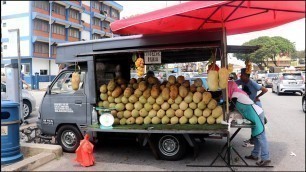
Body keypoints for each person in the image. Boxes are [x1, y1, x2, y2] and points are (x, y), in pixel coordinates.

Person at [228, 81, 271, 166]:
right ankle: (254, 155)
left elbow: (231, 107)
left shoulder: (235, 94)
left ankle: (266, 158)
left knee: (261, 136)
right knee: (255, 135)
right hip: (254, 114)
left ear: (230, 88)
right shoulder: (237, 93)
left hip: (256, 114)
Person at [235, 68, 268, 147]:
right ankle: (252, 140)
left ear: (246, 76)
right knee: (253, 124)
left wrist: (257, 97)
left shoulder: (252, 83)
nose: (240, 76)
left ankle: (255, 142)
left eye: (242, 75)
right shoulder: (241, 81)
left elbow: (265, 90)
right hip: (249, 105)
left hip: (255, 105)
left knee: (257, 126)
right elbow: (232, 84)